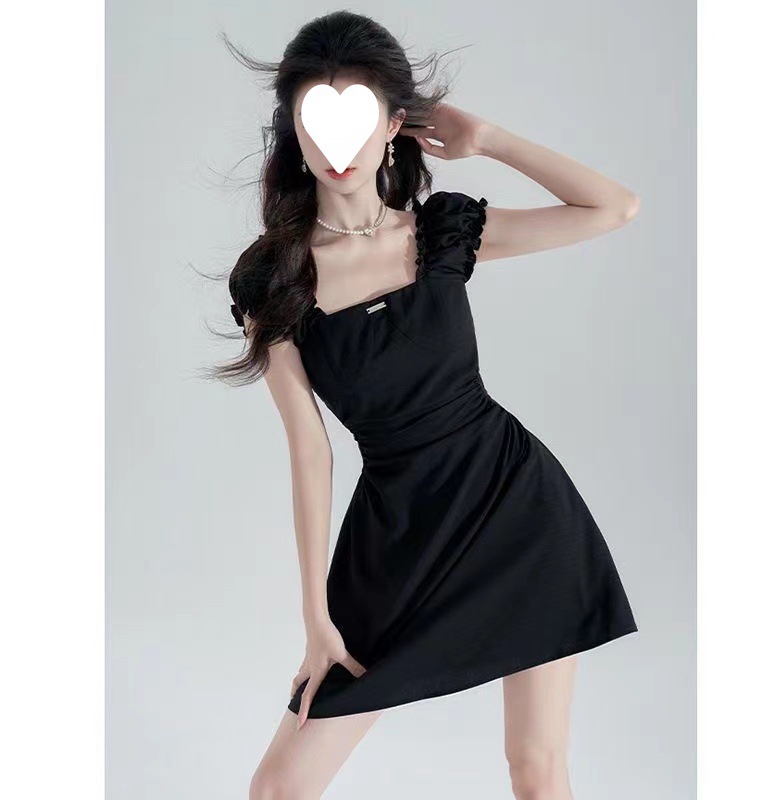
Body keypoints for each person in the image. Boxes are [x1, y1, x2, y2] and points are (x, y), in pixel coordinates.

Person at [218, 11, 640, 800]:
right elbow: (310, 450)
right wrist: (316, 619)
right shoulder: (274, 278)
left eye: (359, 119)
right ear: (295, 135)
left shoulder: (443, 236)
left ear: (393, 128)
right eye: (316, 121)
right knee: (279, 788)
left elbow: (613, 208)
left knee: (537, 769)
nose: (337, 146)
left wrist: (492, 140)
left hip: (518, 510)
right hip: (395, 536)